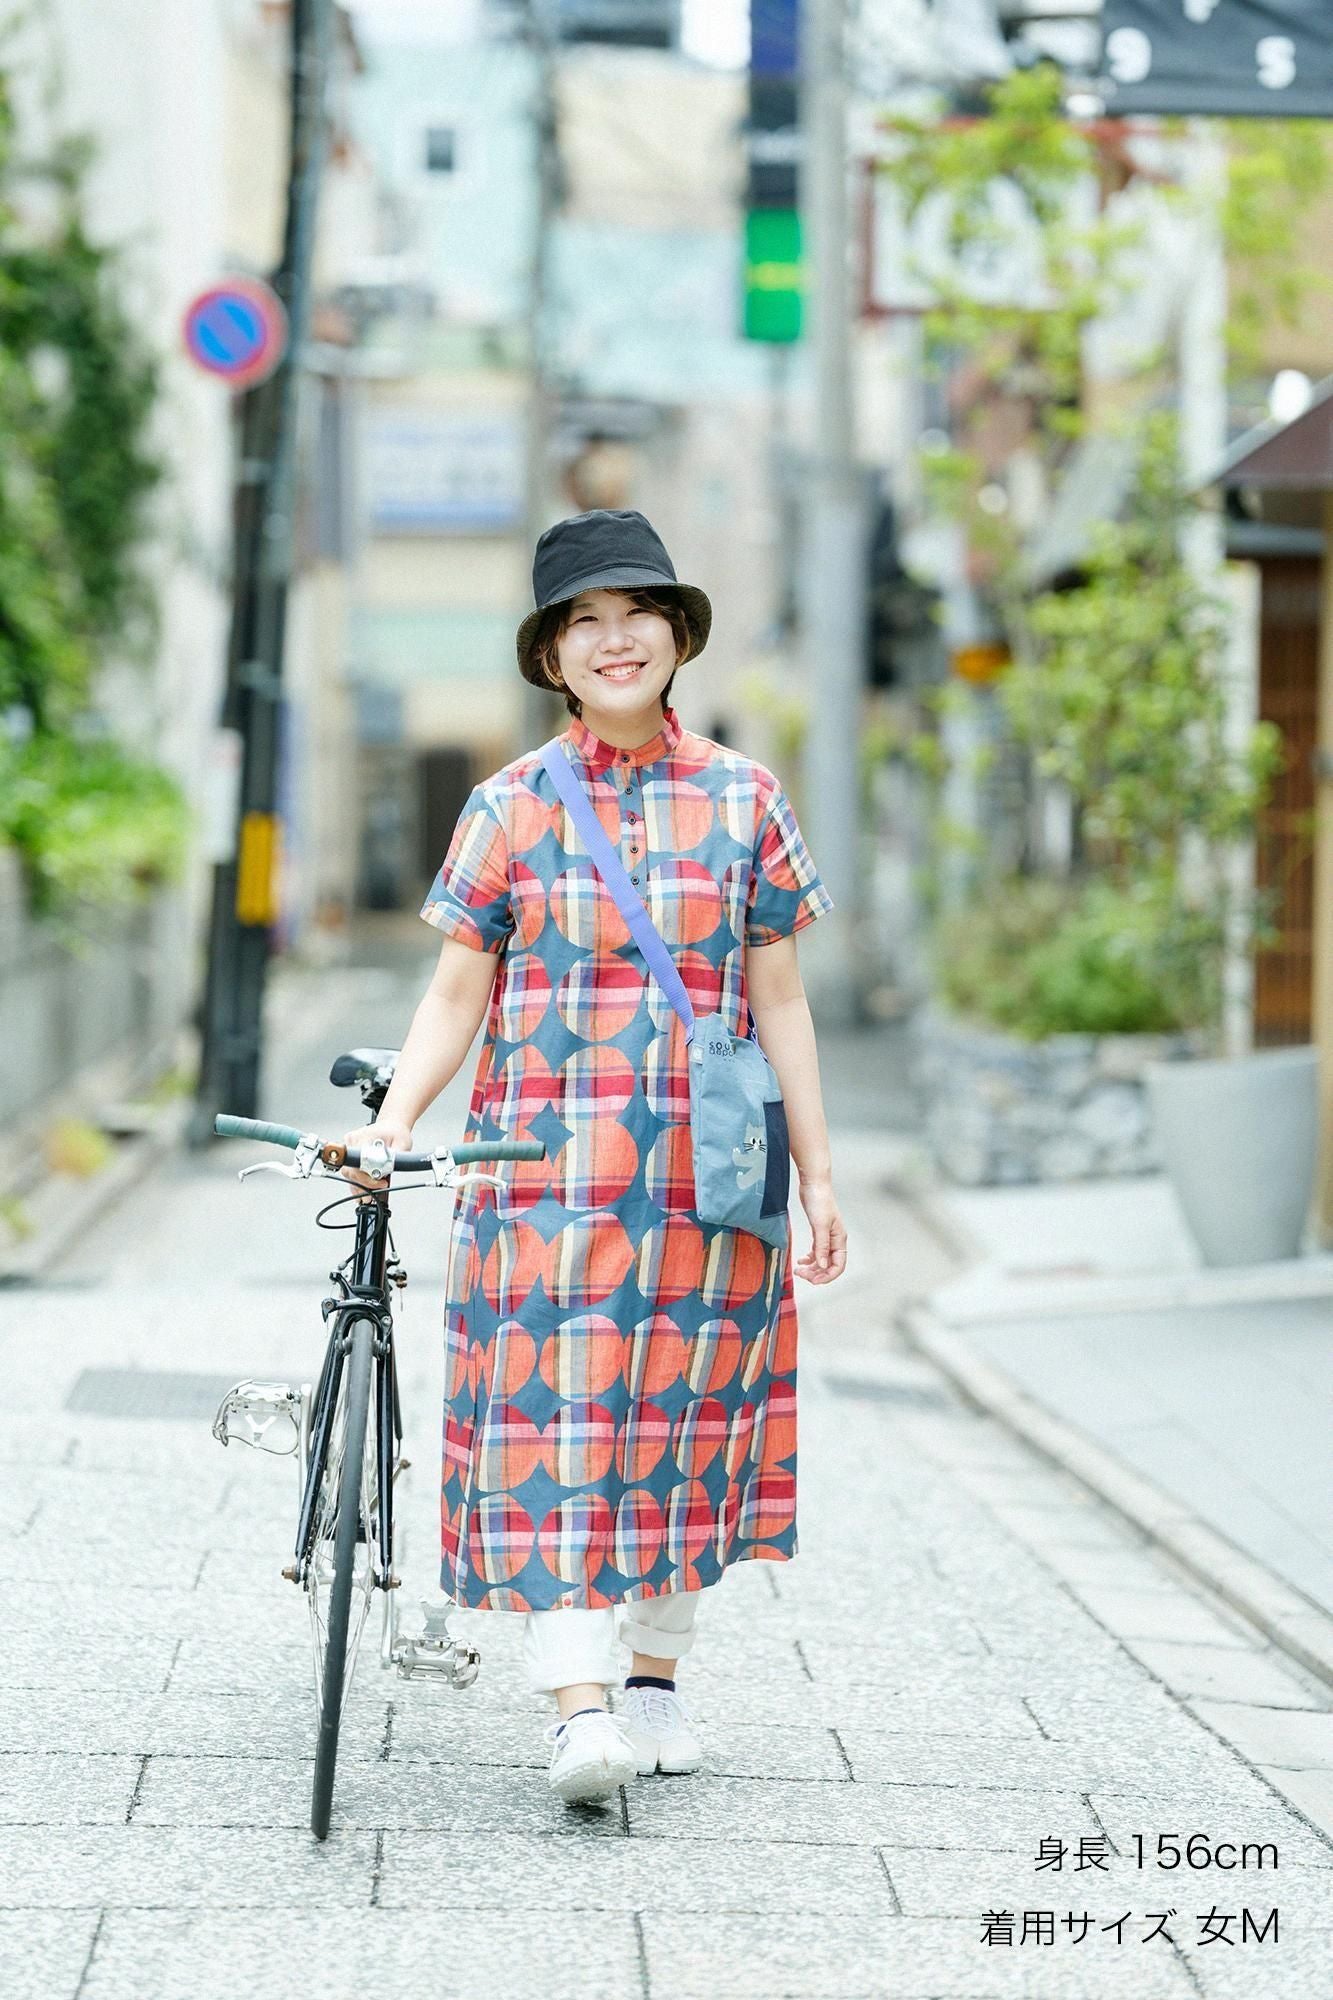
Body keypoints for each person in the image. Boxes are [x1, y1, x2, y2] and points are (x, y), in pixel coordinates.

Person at [343, 508, 847, 1804]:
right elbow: (456, 995)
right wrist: (396, 1123)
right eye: (583, 621)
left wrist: (820, 1175)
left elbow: (778, 999)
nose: (613, 640)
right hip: (543, 1186)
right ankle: (575, 1710)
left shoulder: (745, 799)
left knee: (688, 1432)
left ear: (674, 636)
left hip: (705, 1187)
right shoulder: (507, 809)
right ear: (551, 658)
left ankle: (656, 1679)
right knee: (553, 1437)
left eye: (636, 615)